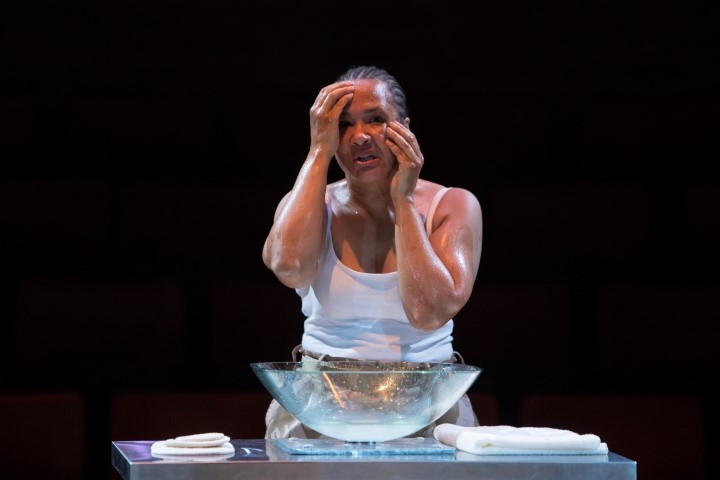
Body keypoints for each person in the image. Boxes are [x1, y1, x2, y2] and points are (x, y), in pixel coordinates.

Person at [261, 65, 484, 439]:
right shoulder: (312, 202)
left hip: (428, 405)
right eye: (343, 124)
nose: (359, 136)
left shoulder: (453, 205)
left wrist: (404, 200)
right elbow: (290, 268)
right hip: (320, 405)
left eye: (375, 120)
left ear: (405, 129)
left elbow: (427, 311)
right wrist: (318, 150)